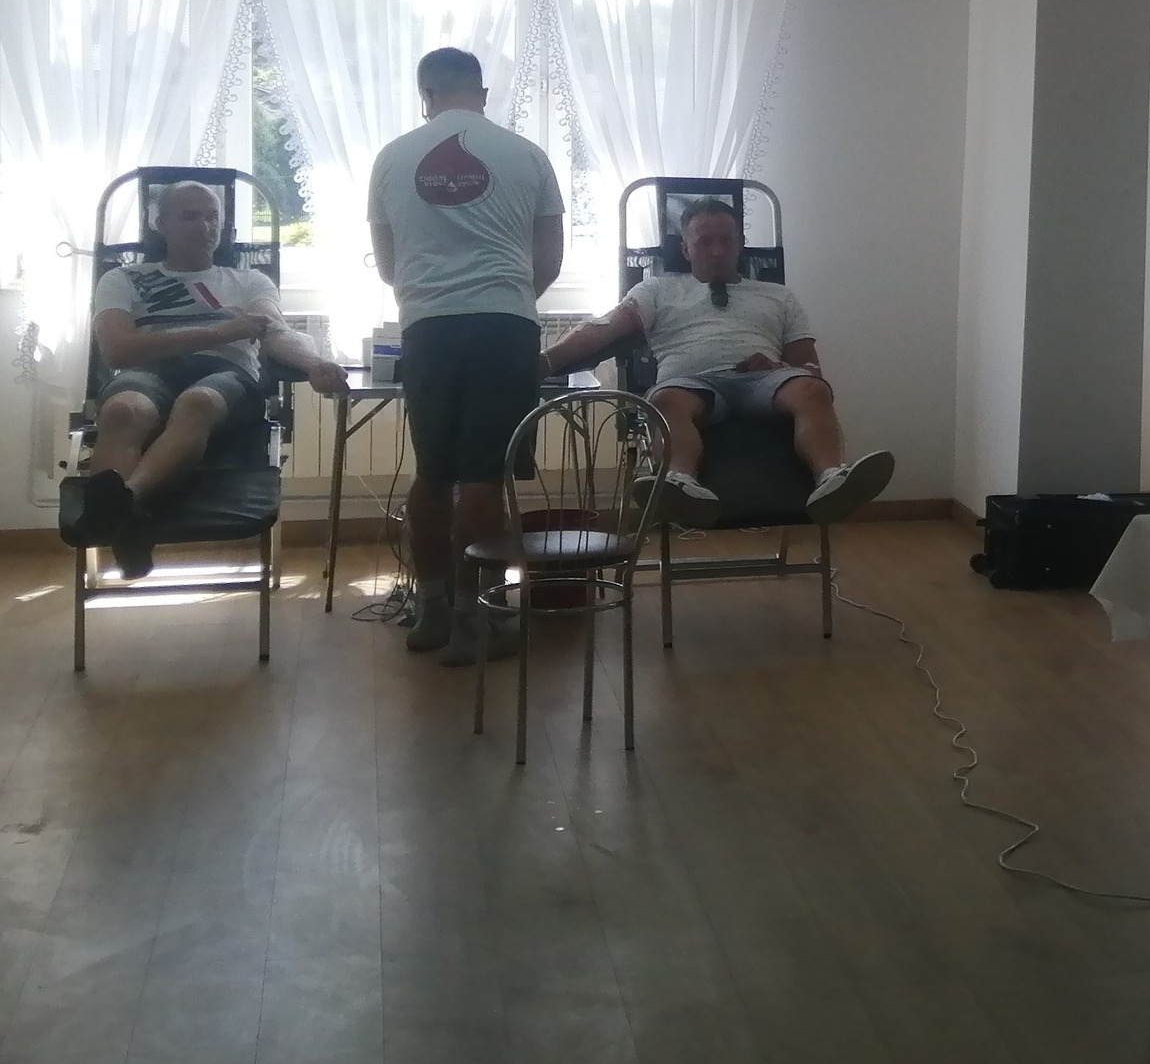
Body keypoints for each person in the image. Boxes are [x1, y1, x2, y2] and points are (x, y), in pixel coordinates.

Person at [369, 47, 565, 666]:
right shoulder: (527, 154)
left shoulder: (392, 157)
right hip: (504, 325)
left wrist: (435, 292)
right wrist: (504, 296)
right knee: (485, 474)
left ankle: (430, 610)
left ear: (424, 94)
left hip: (427, 328)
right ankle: (473, 617)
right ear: (481, 92)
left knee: (433, 473)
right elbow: (549, 260)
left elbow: (387, 266)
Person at [540, 198, 894, 527]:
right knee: (664, 401)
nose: (717, 251)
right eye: (704, 242)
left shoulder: (779, 296)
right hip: (689, 384)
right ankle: (679, 483)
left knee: (813, 390)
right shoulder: (657, 290)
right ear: (685, 249)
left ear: (740, 244)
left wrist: (782, 369)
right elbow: (603, 329)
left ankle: (832, 479)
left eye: (727, 241)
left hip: (765, 383)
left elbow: (811, 368)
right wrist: (542, 363)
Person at [78, 181, 347, 578]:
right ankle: (126, 518)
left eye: (212, 217)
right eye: (190, 216)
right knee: (120, 410)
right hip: (148, 372)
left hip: (225, 375)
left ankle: (122, 506)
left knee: (198, 402)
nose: (205, 227)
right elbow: (117, 350)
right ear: (159, 223)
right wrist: (218, 332)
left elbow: (277, 333)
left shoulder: (248, 281)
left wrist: (315, 364)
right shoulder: (124, 279)